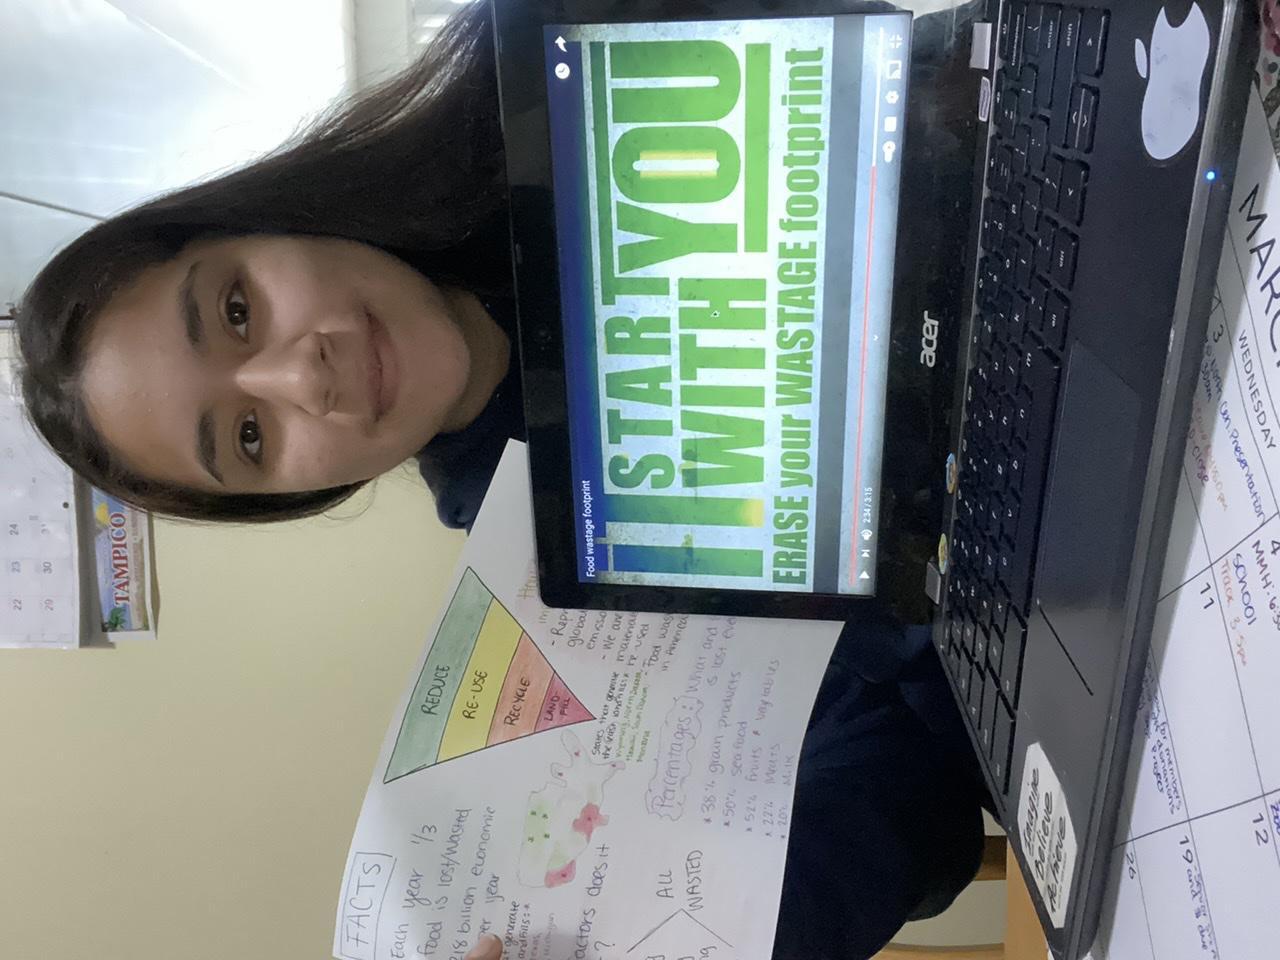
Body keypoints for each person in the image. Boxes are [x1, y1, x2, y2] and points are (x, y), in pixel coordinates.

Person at [14, 3, 992, 957]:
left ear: (257, 222)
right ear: (288, 494)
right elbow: (911, 789)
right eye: (249, 436)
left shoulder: (543, 66)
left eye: (237, 310)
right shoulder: (550, 580)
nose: (303, 378)